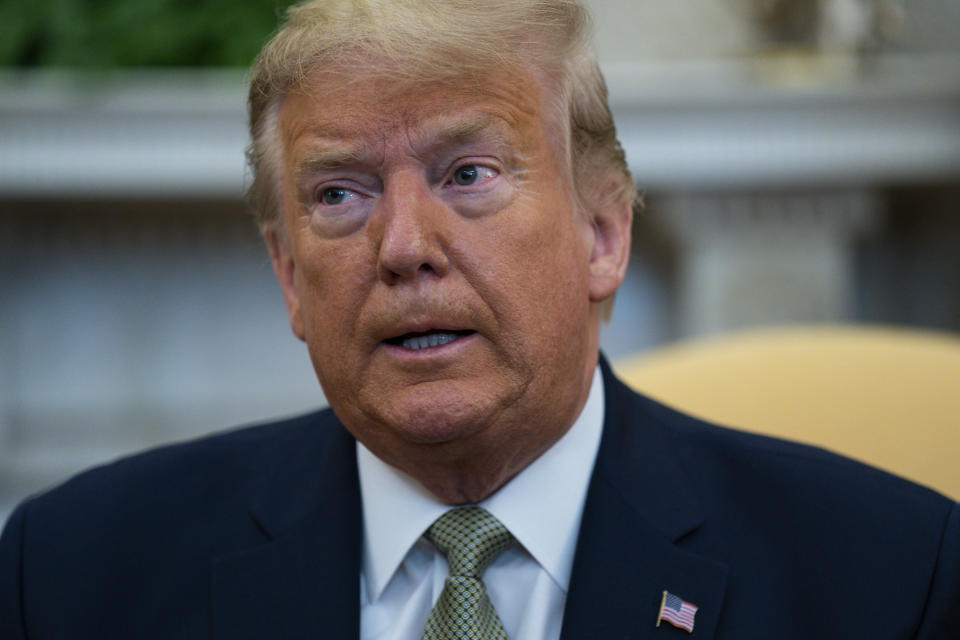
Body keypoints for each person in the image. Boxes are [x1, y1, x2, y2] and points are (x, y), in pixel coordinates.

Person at [1, 0, 958, 637]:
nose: (404, 245)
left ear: (603, 234)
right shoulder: (74, 578)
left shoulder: (891, 580)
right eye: (340, 193)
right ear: (290, 274)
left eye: (470, 175)